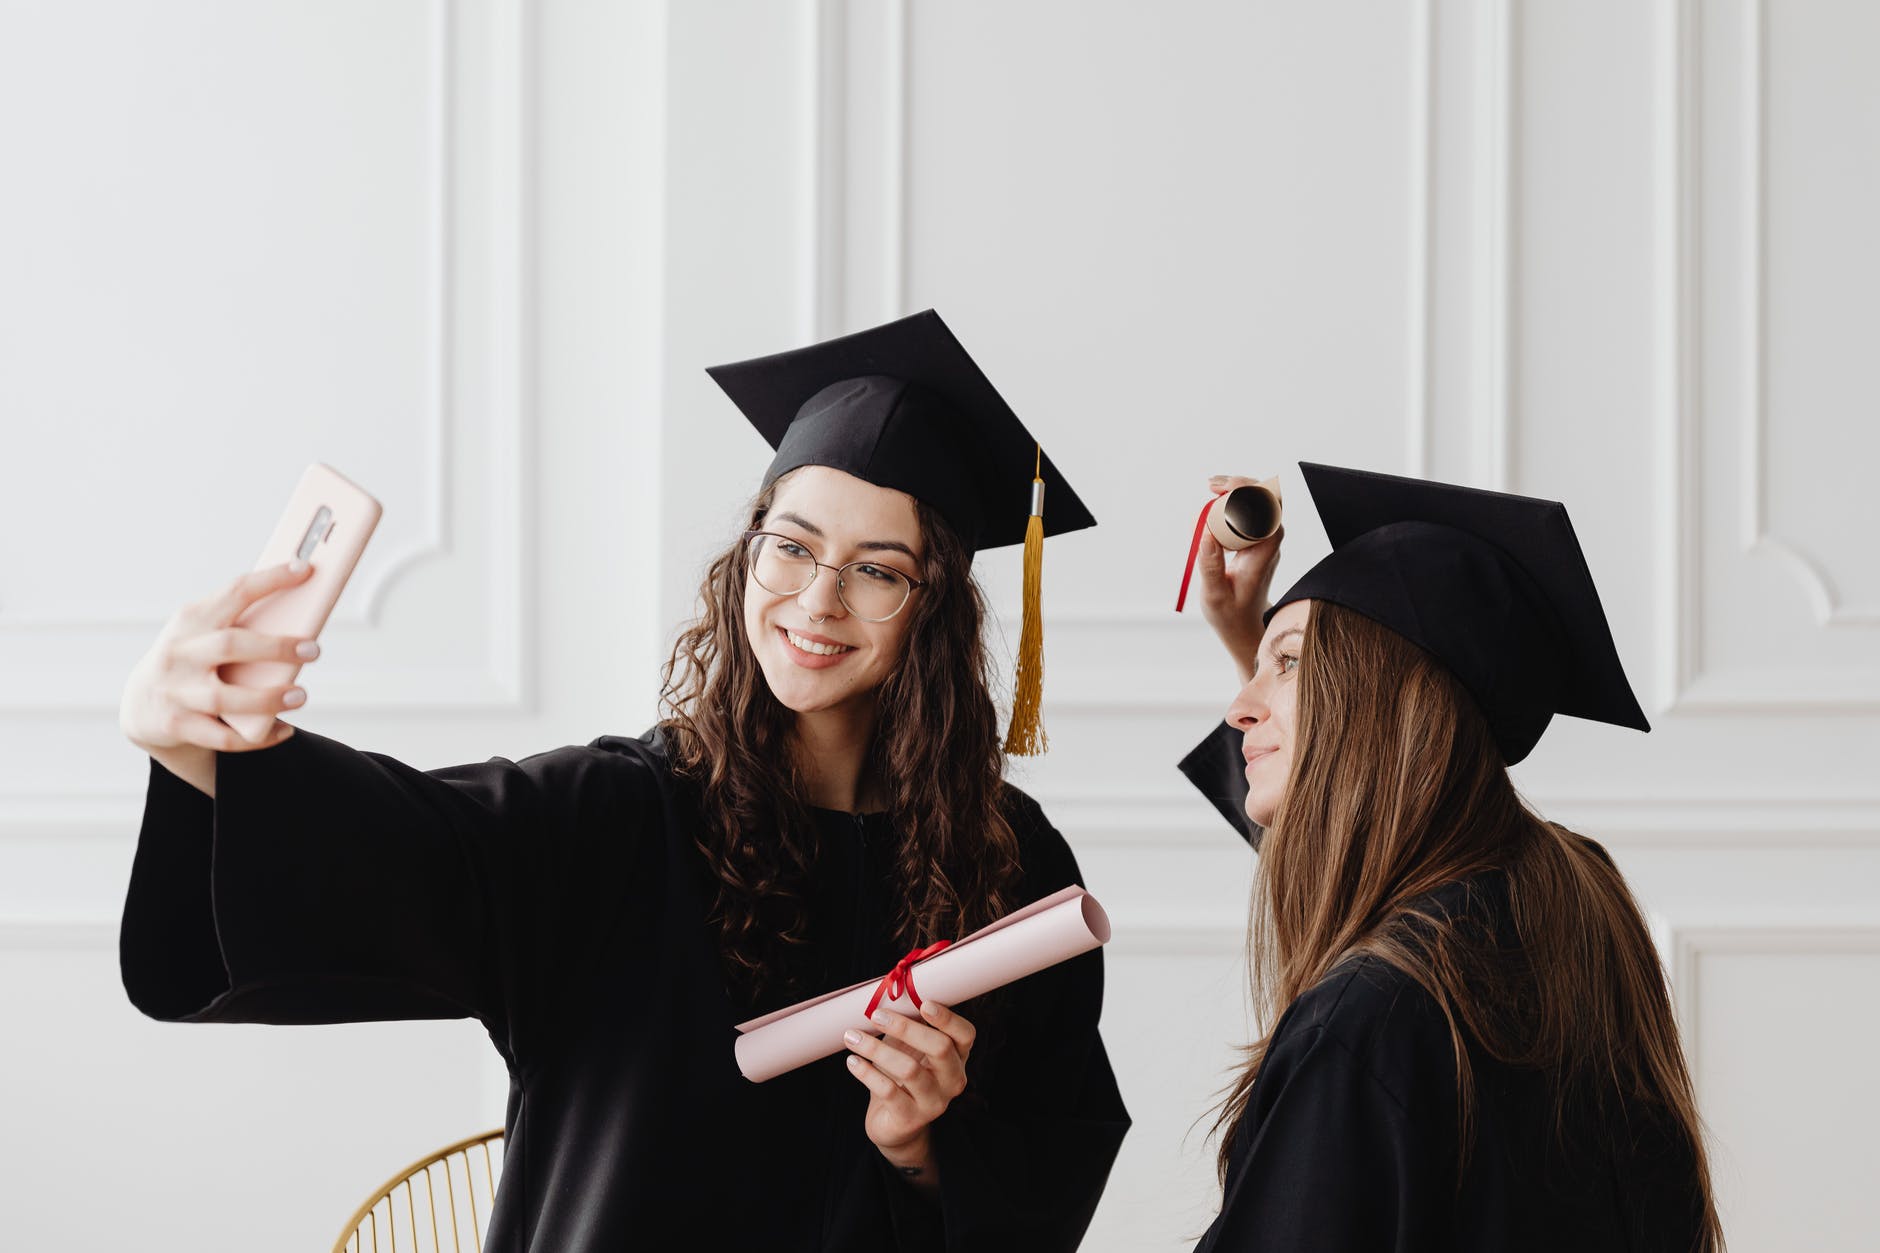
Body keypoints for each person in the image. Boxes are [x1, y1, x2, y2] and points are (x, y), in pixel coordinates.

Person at [116, 310, 1129, 1252]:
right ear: (746, 557)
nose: (817, 598)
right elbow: (403, 844)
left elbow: (1047, 1164)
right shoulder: (613, 816)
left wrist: (920, 1148)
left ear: (932, 608)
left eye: (877, 568)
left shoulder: (1010, 863)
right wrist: (203, 753)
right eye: (791, 544)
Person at [1176, 463, 1722, 1251]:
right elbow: (1344, 853)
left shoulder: (1368, 1019)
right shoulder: (1570, 920)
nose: (1239, 708)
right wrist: (1256, 641)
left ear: (1387, 690)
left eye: (1288, 662)